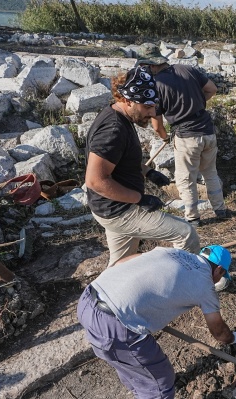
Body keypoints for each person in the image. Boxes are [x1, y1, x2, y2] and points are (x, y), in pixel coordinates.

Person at [76, 244, 236, 399]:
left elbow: (123, 262)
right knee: (159, 378)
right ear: (219, 270)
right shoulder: (205, 285)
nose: (219, 280)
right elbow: (219, 333)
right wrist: (232, 339)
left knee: (129, 364)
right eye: (221, 276)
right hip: (114, 326)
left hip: (89, 298)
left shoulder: (171, 252)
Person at [85, 66, 200, 267]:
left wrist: (148, 172)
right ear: (127, 100)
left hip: (110, 207)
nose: (153, 112)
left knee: (122, 264)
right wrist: (140, 199)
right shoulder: (113, 130)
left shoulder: (119, 116)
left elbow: (119, 161)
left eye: (154, 105)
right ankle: (187, 282)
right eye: (147, 106)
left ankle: (107, 296)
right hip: (120, 210)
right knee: (185, 233)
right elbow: (95, 180)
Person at [137, 54, 231, 227]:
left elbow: (157, 125)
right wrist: (197, 104)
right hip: (208, 131)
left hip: (187, 136)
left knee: (185, 179)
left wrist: (165, 137)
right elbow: (212, 89)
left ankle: (193, 219)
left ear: (152, 66)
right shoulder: (186, 69)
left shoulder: (157, 85)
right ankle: (221, 210)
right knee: (210, 173)